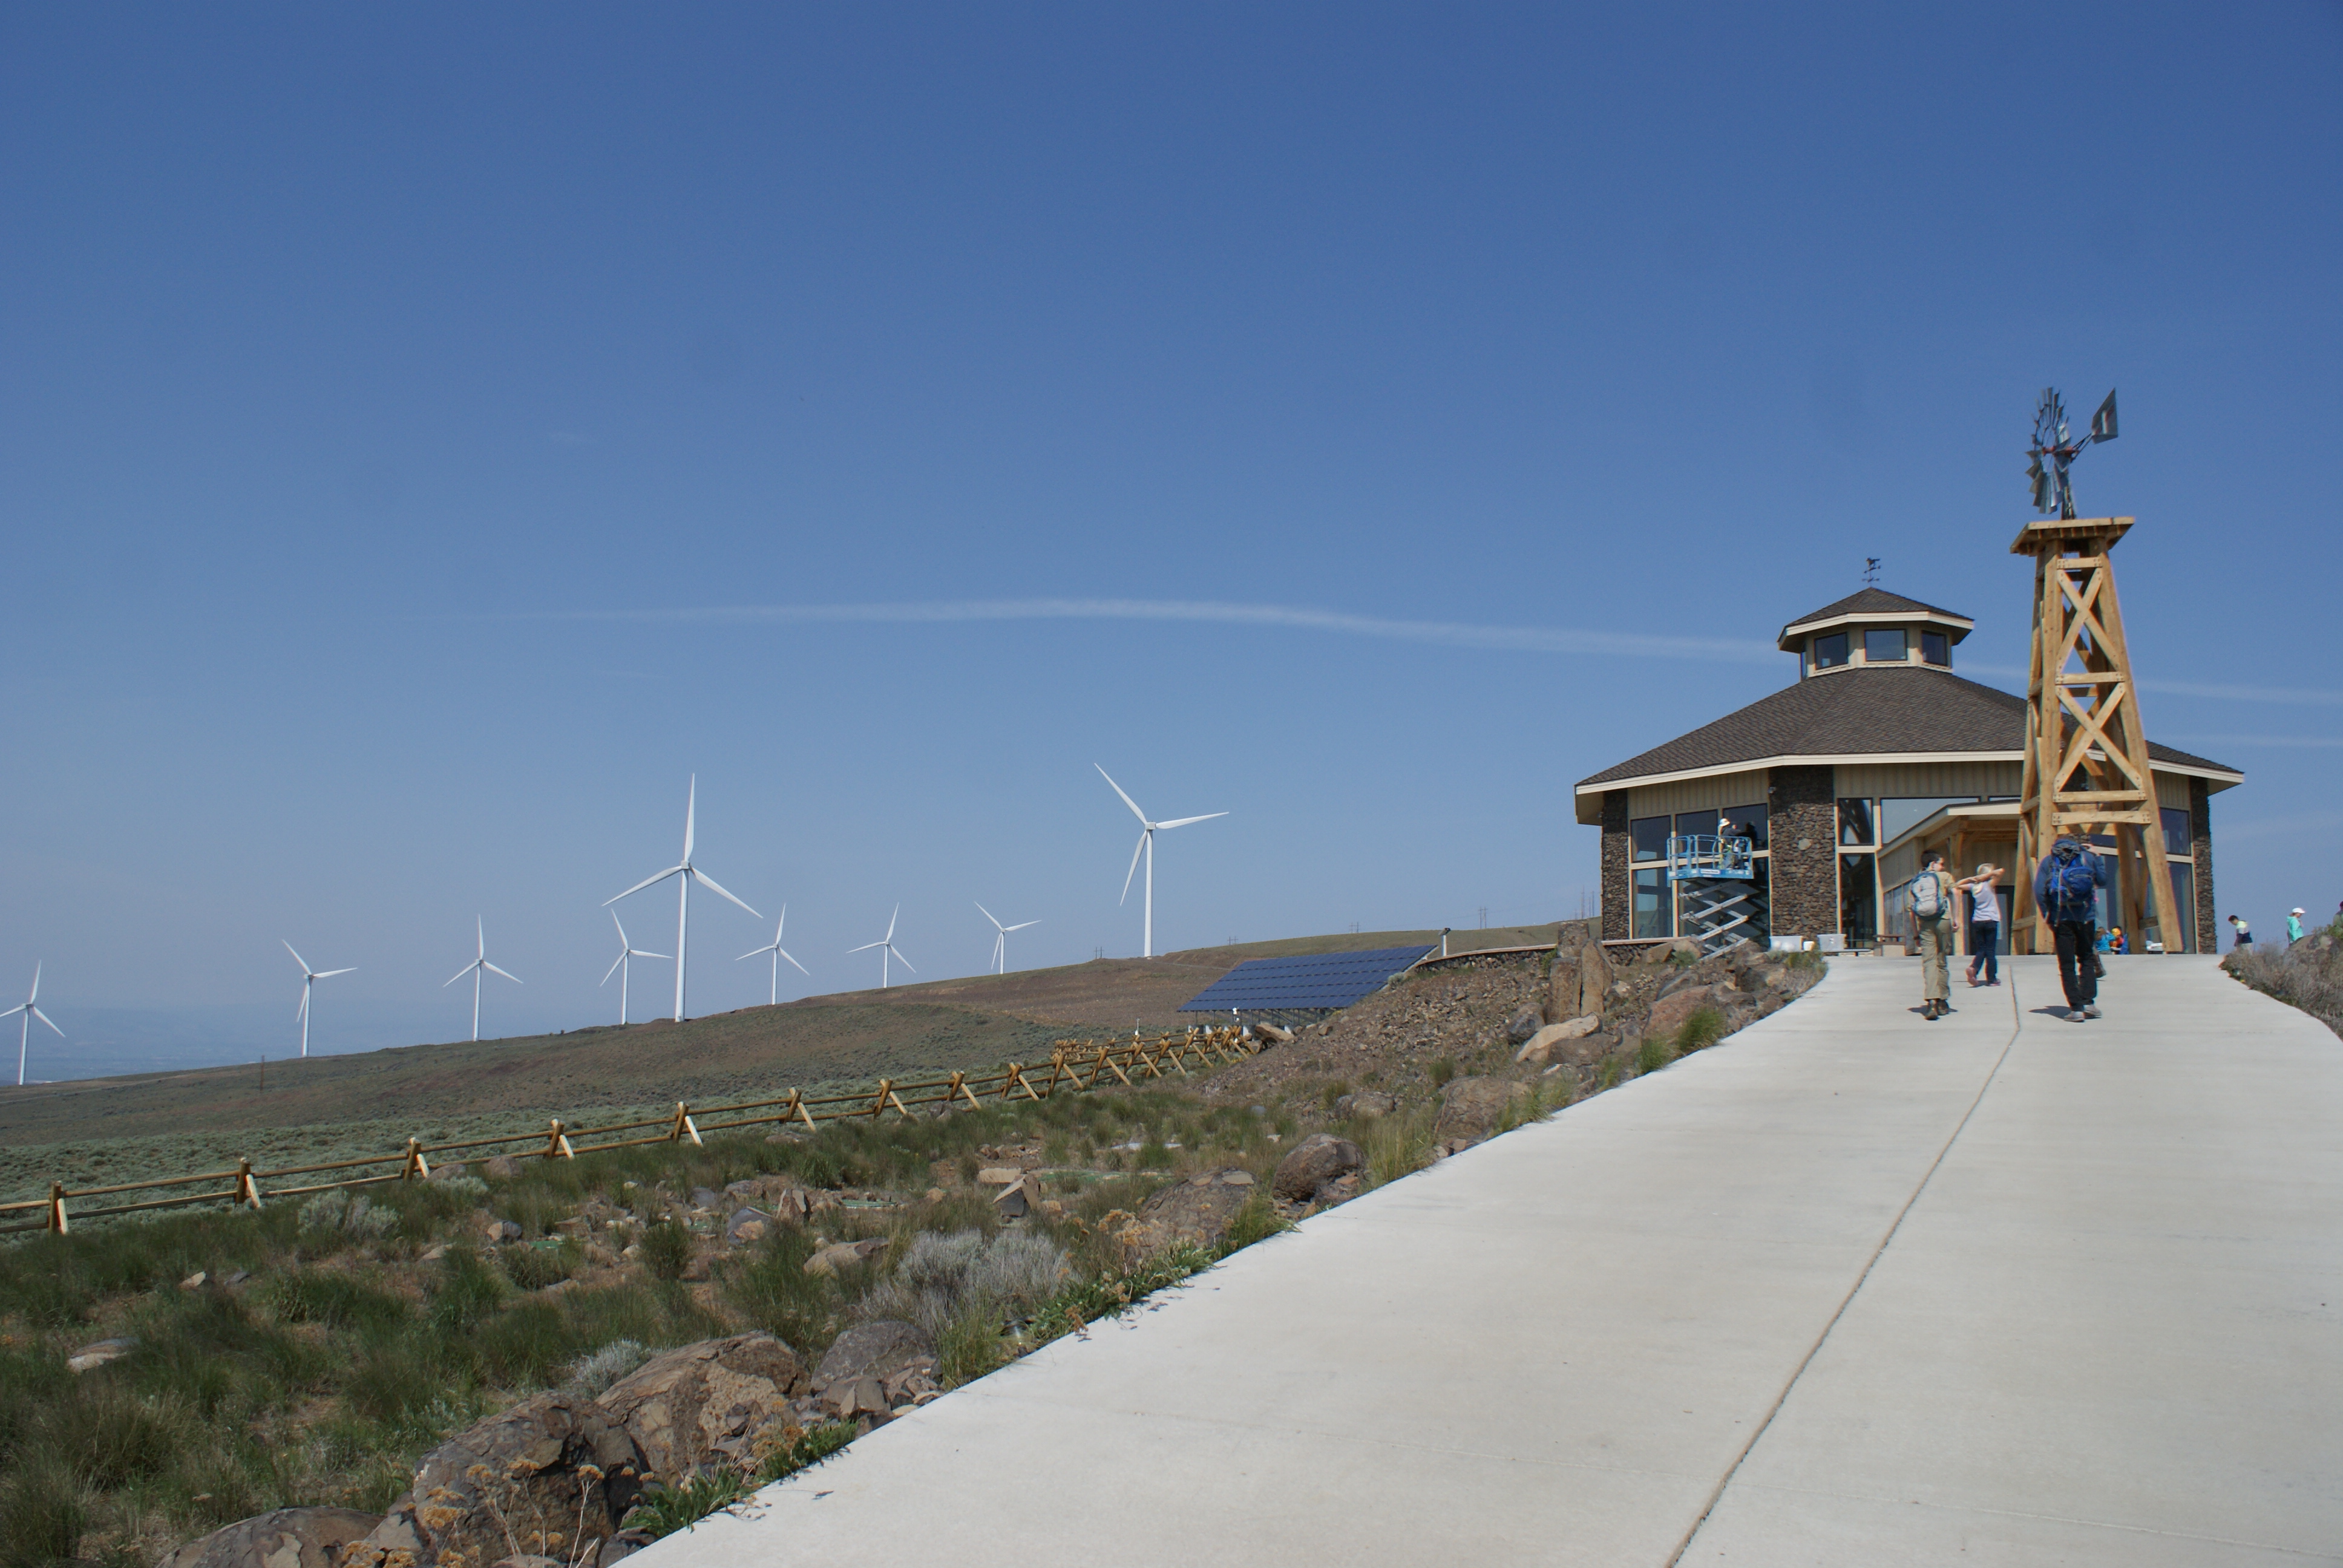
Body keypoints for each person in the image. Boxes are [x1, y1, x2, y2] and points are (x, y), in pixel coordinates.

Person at [2035, 837, 2108, 1022]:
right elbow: (2103, 880)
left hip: (2061, 918)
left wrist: (2047, 916)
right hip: (2086, 917)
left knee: (2067, 964)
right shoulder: (2088, 857)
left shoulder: (2049, 861)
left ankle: (2076, 1009)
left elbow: (2038, 891)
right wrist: (2097, 857)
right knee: (2086, 959)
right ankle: (2089, 1003)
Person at [1910, 851, 1957, 1020]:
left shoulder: (1917, 880)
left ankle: (1931, 1001)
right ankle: (1943, 1001)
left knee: (1929, 962)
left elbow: (1911, 910)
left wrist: (1916, 934)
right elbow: (1957, 893)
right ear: (1933, 864)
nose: (1942, 867)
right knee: (1941, 961)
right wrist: (1956, 918)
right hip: (1943, 920)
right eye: (1941, 863)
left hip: (1924, 924)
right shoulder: (1944, 876)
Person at [1957, 862, 2004, 987]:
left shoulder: (1973, 887)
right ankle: (1992, 979)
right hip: (1991, 920)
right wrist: (1988, 875)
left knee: (1981, 949)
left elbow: (1957, 885)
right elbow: (2000, 871)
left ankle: (1973, 968)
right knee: (1990, 951)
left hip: (1978, 921)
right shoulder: (1989, 885)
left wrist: (1972, 879)